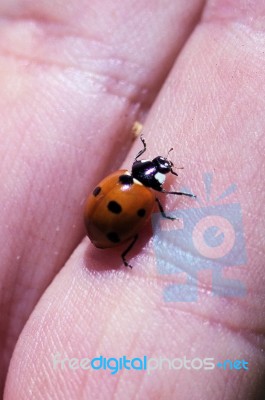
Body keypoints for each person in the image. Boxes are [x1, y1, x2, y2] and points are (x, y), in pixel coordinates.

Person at [1, 0, 264, 398]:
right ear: (153, 175)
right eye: (161, 169)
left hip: (106, 228)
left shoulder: (130, 177)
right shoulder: (145, 190)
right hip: (107, 235)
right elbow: (151, 207)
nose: (161, 169)